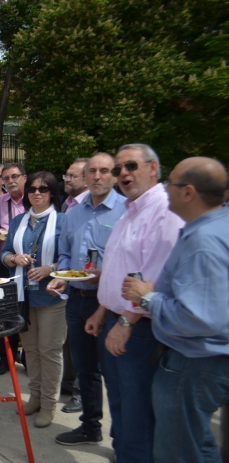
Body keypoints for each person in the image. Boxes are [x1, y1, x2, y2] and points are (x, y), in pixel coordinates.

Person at [120, 157, 229, 462]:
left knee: (177, 451)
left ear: (189, 192)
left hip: (194, 363)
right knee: (199, 446)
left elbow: (201, 318)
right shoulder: (217, 226)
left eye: (172, 183)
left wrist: (148, 298)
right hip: (208, 361)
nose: (166, 188)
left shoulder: (204, 241)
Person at [85, 143, 184, 463]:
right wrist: (103, 310)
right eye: (119, 169)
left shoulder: (164, 211)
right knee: (120, 407)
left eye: (130, 167)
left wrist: (126, 322)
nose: (123, 174)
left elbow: (154, 279)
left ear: (153, 169)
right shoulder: (132, 209)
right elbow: (120, 270)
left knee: (136, 412)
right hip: (116, 319)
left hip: (138, 327)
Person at [48, 153, 126, 445]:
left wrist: (103, 277)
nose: (97, 176)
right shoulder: (73, 213)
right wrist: (62, 276)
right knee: (85, 368)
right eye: (92, 171)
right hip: (77, 298)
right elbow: (65, 254)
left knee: (115, 374)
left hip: (112, 305)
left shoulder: (125, 211)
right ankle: (90, 427)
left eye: (104, 171)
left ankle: (121, 440)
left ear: (114, 175)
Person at [1, 171, 65, 428]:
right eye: (33, 190)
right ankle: (35, 396)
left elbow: (71, 257)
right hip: (23, 295)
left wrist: (50, 269)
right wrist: (14, 259)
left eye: (43, 189)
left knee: (49, 351)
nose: (37, 193)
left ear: (52, 193)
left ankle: (49, 404)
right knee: (30, 350)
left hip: (51, 296)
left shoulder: (63, 221)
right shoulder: (18, 221)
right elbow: (5, 252)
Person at [58, 157, 90, 414]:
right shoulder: (69, 206)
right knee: (70, 340)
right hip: (70, 284)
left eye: (72, 176)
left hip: (94, 289)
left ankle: (81, 393)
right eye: (66, 176)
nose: (66, 180)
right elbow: (66, 248)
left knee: (87, 349)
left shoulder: (94, 208)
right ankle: (69, 386)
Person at [0, 162, 27, 374]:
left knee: (29, 312)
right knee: (6, 312)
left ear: (24, 177)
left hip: (30, 264)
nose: (10, 181)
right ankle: (6, 358)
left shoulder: (33, 200)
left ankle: (30, 358)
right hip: (4, 263)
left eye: (14, 176)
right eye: (6, 178)